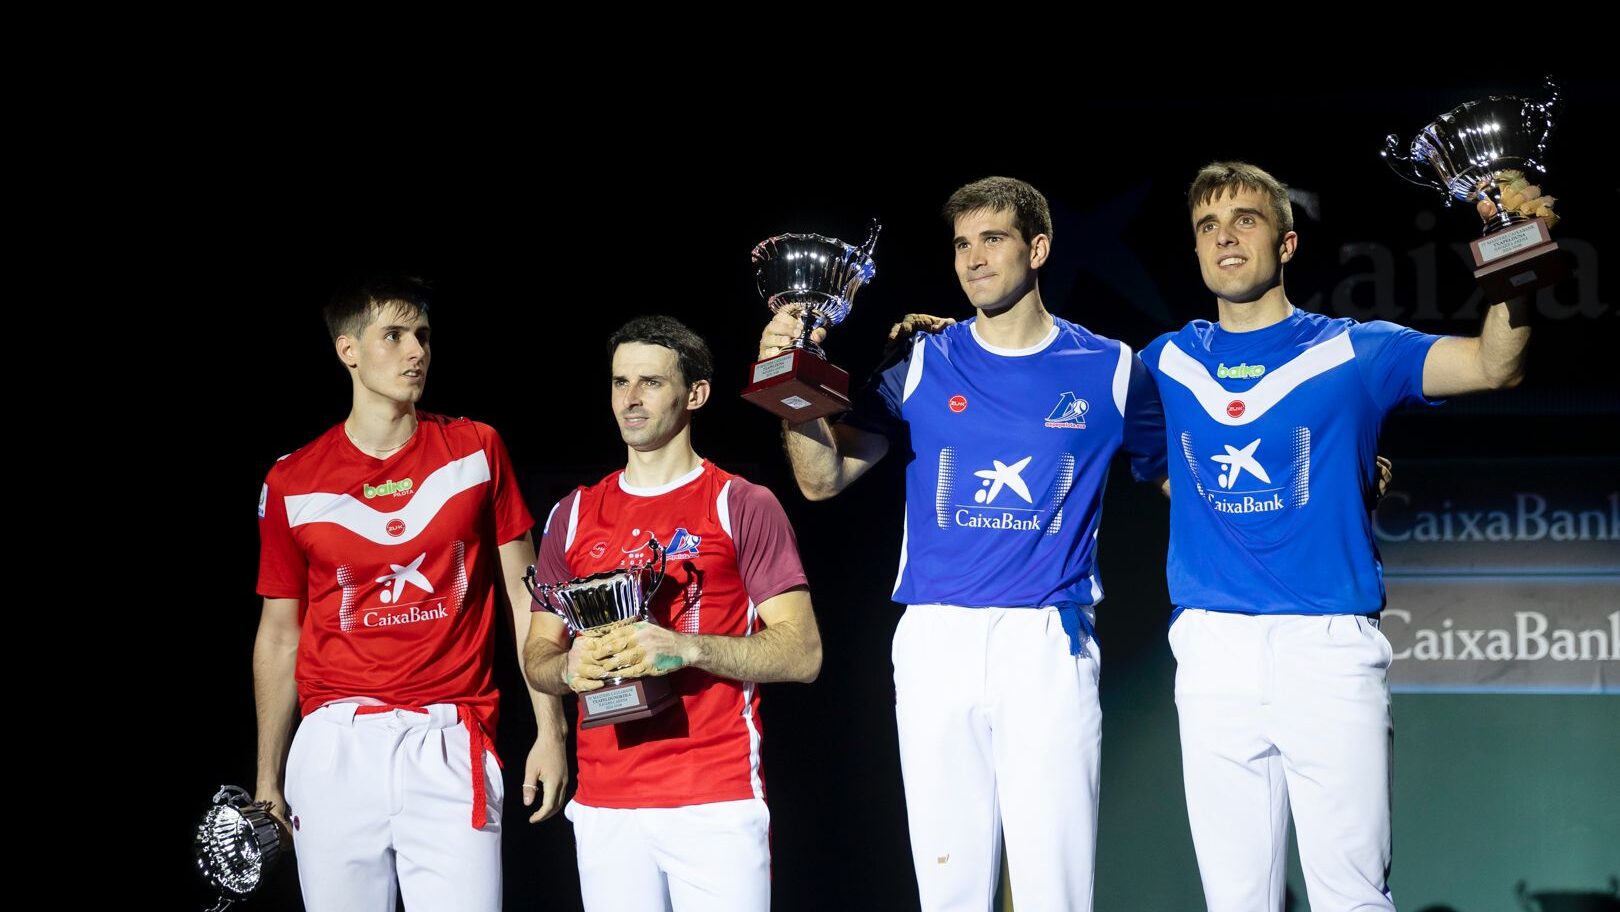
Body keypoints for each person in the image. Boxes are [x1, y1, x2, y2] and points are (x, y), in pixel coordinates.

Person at [758, 177, 1167, 911]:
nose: (973, 259)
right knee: (949, 890)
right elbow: (822, 479)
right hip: (936, 637)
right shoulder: (920, 360)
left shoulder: (1111, 368)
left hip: (1047, 641)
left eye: (992, 239)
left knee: (1055, 891)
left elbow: (1182, 478)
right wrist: (792, 386)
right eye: (961, 244)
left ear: (1037, 248)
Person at [1141, 161, 1532, 912]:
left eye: (1246, 220)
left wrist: (1517, 251)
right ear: (1194, 250)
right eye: (1207, 226)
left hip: (1326, 650)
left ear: (1286, 243)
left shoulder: (1355, 352)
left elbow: (1494, 365)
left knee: (1351, 897)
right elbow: (1128, 447)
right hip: (1212, 649)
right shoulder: (1164, 363)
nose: (1225, 238)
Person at [253, 274, 567, 911]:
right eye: (393, 336)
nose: (416, 351)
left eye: (422, 335)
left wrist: (551, 731)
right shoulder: (292, 479)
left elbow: (526, 598)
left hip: (450, 737)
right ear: (347, 350)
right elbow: (281, 634)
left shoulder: (476, 449)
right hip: (334, 745)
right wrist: (267, 778)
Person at [524, 315, 823, 912]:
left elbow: (803, 653)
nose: (630, 399)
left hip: (714, 800)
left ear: (696, 393)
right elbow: (538, 655)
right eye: (620, 382)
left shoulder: (740, 503)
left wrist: (687, 647)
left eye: (651, 383)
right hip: (606, 804)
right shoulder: (573, 514)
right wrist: (568, 669)